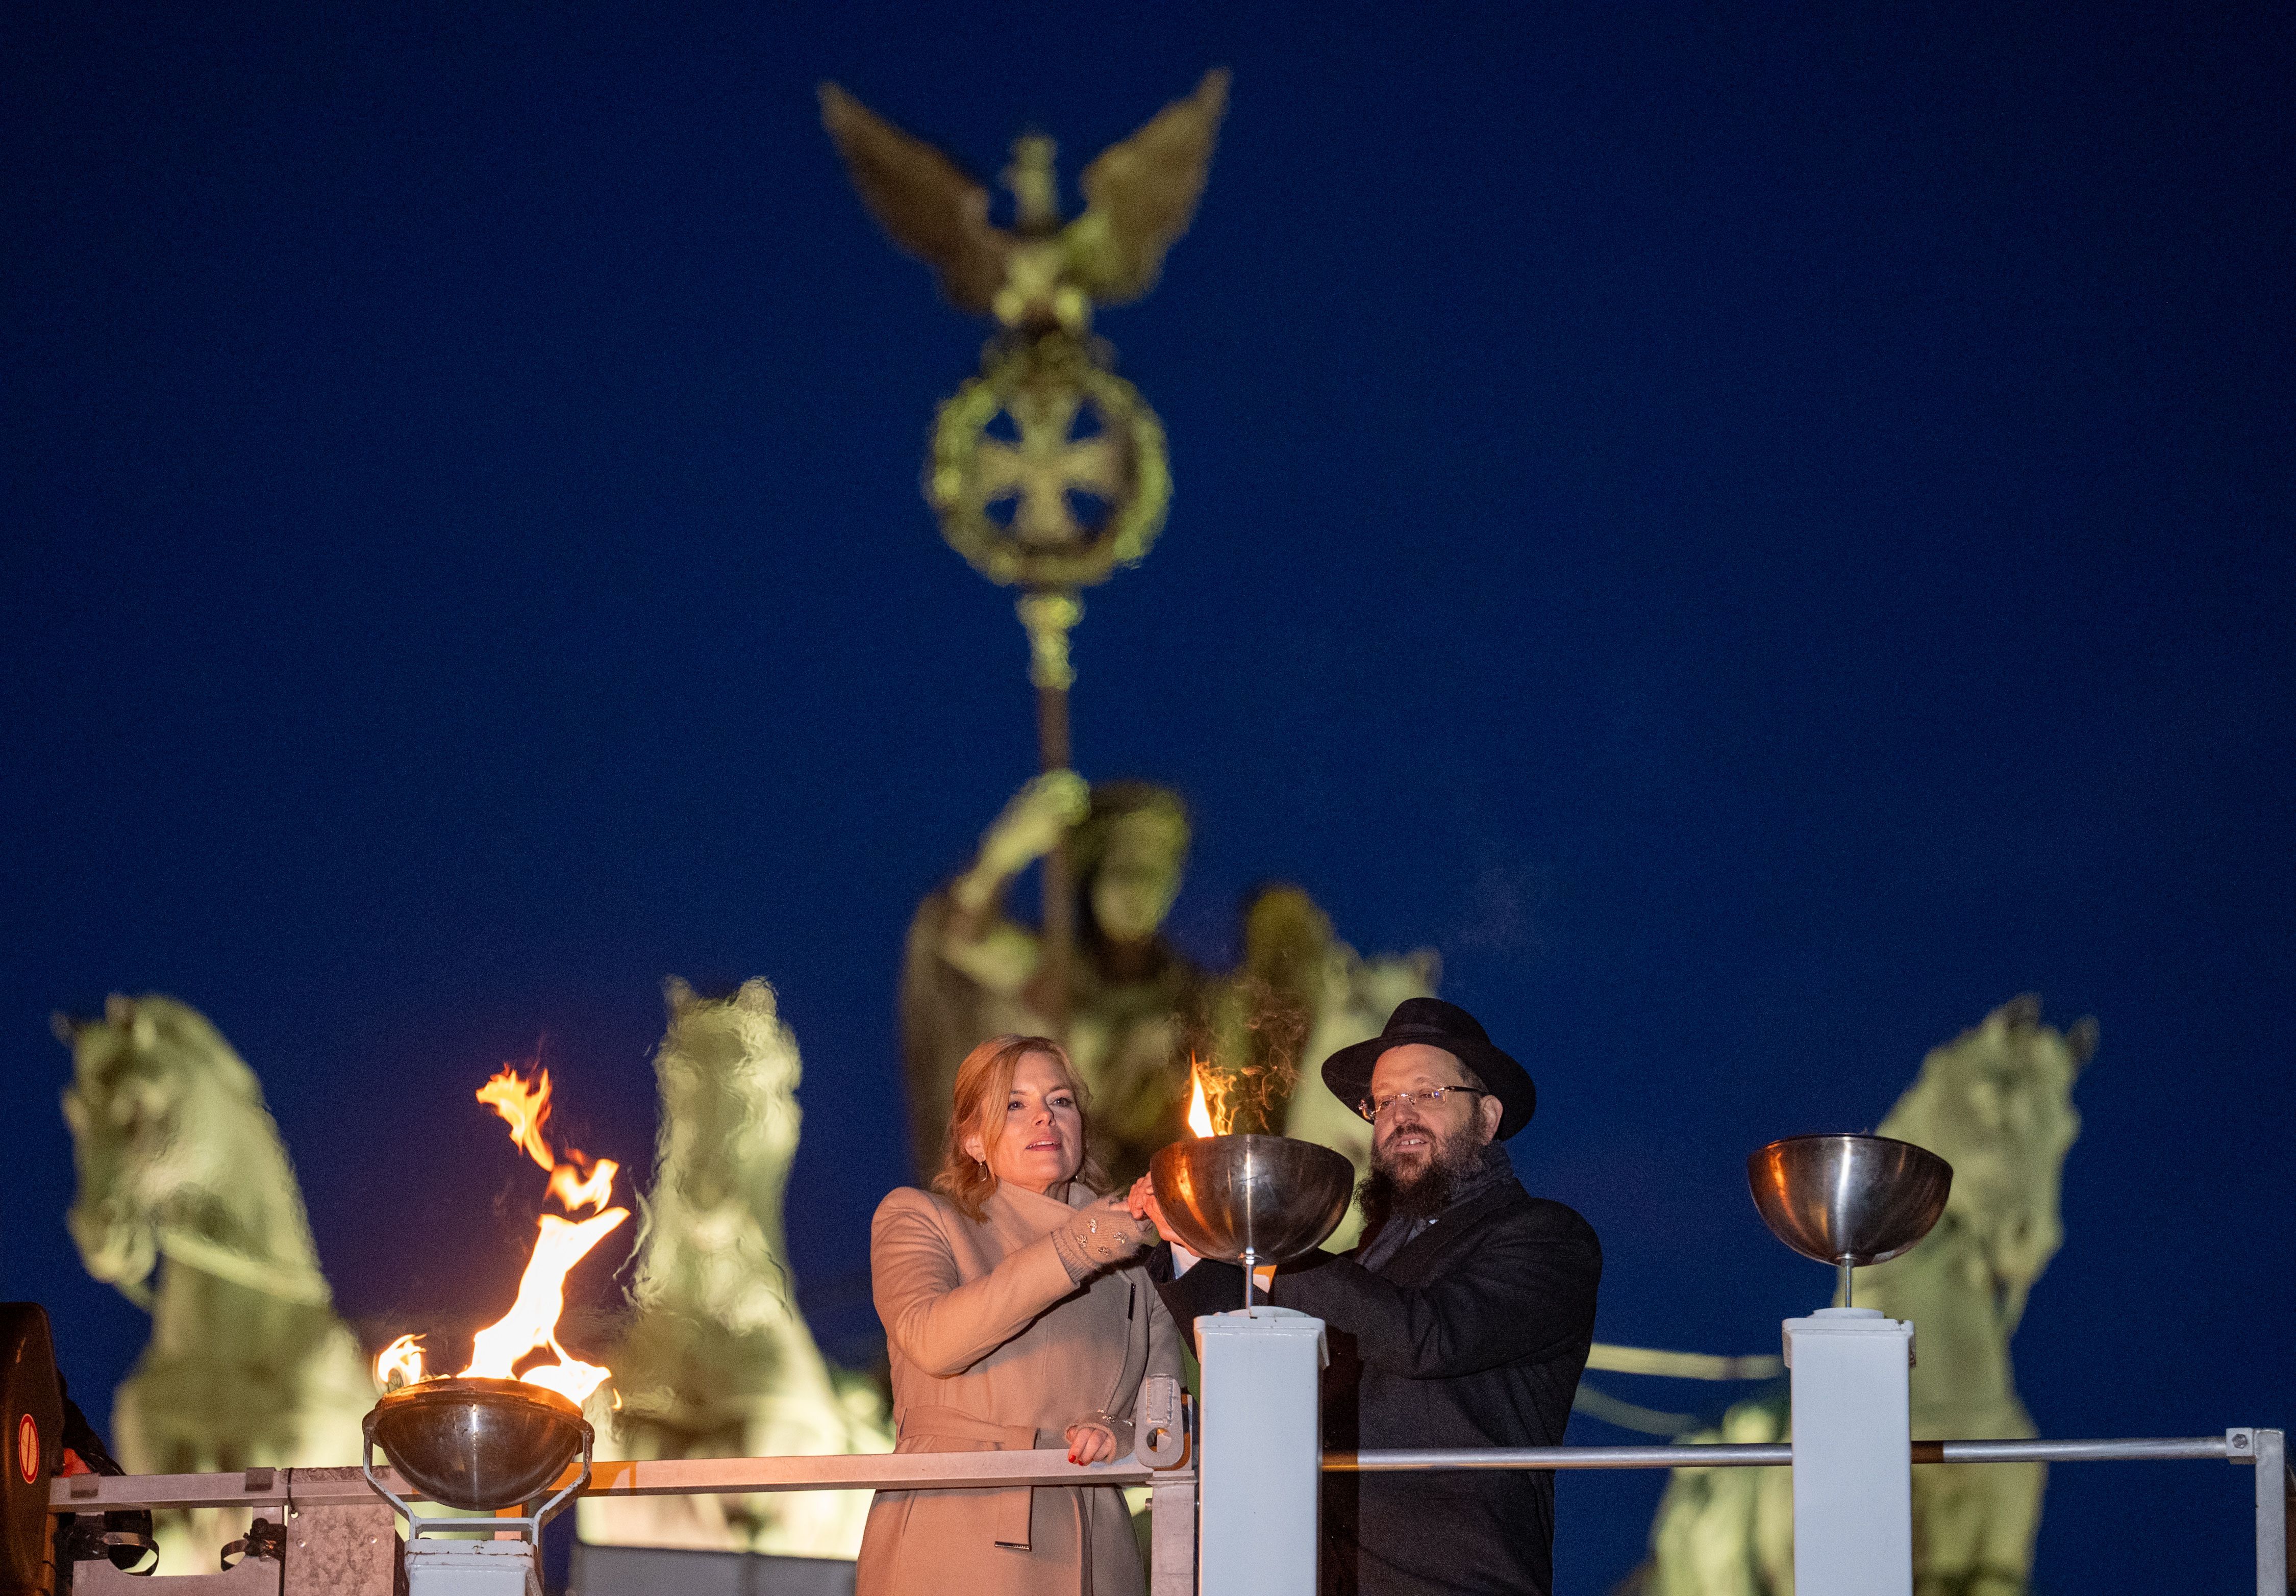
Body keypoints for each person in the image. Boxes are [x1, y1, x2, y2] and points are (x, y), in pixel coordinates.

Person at [1136, 998, 1601, 1596]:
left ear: (1486, 1118)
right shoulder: (1366, 1260)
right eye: (1383, 1102)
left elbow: (1428, 1337)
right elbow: (1254, 1354)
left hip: (1456, 1582)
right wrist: (1190, 1238)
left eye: (1427, 1094)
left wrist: (1271, 1240)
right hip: (1317, 1574)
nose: (1400, 1116)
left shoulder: (1546, 1237)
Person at [857, 1033, 1184, 1596]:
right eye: (1015, 1104)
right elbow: (933, 1340)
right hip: (957, 1530)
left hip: (1097, 1549)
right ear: (971, 1140)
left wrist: (1117, 1433)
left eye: (1060, 1101)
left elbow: (1166, 1418)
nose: (1045, 1119)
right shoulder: (920, 1218)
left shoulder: (1135, 1261)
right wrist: (1082, 1244)